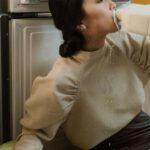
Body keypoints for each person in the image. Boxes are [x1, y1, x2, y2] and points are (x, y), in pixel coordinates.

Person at [14, 0, 150, 150]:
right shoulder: (63, 78)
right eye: (99, 1)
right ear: (80, 23)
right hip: (105, 144)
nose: (112, 4)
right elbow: (33, 133)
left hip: (140, 125)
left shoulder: (124, 41)